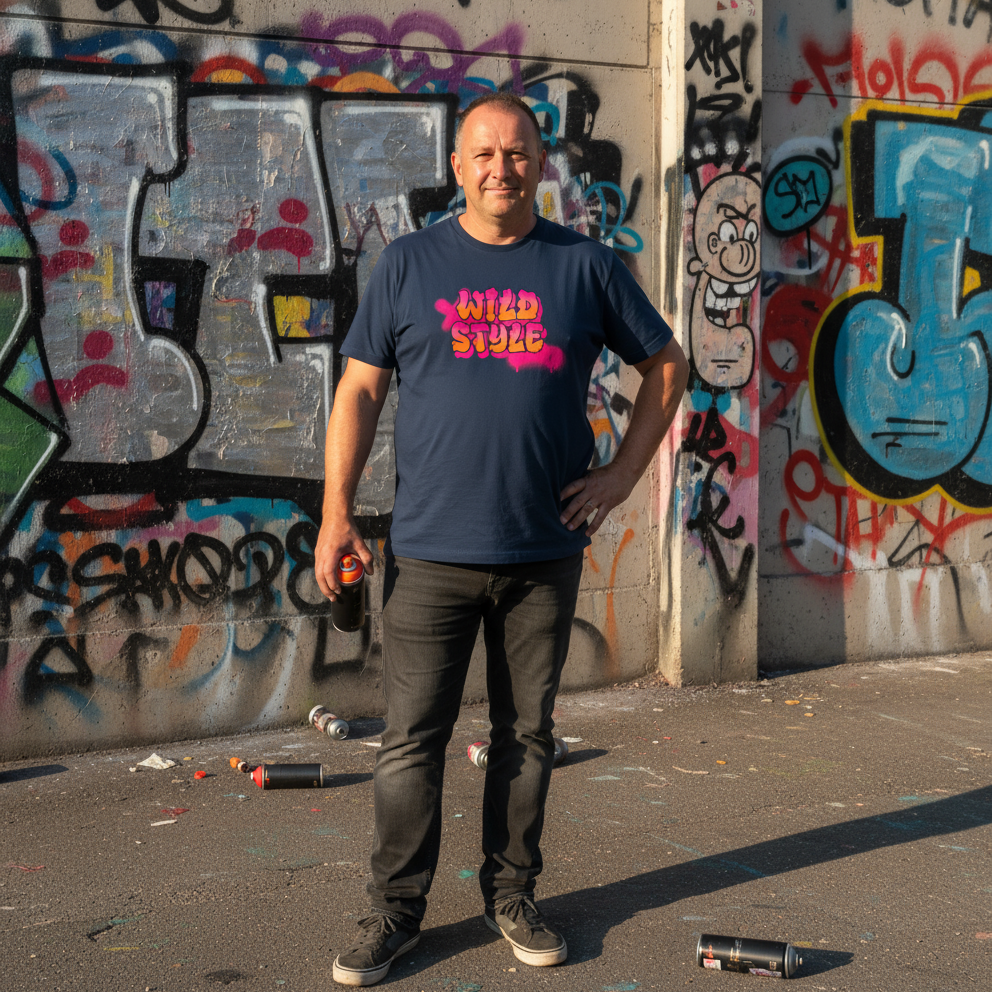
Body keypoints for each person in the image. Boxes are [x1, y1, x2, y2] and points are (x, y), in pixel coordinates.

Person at [314, 92, 689, 987]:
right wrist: (335, 514)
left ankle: (512, 895)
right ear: (457, 167)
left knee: (527, 735)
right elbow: (358, 391)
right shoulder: (408, 264)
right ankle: (394, 913)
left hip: (542, 552)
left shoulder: (584, 265)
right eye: (483, 154)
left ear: (540, 163)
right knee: (412, 741)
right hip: (428, 553)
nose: (500, 169)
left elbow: (667, 365)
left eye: (517, 153)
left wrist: (620, 477)